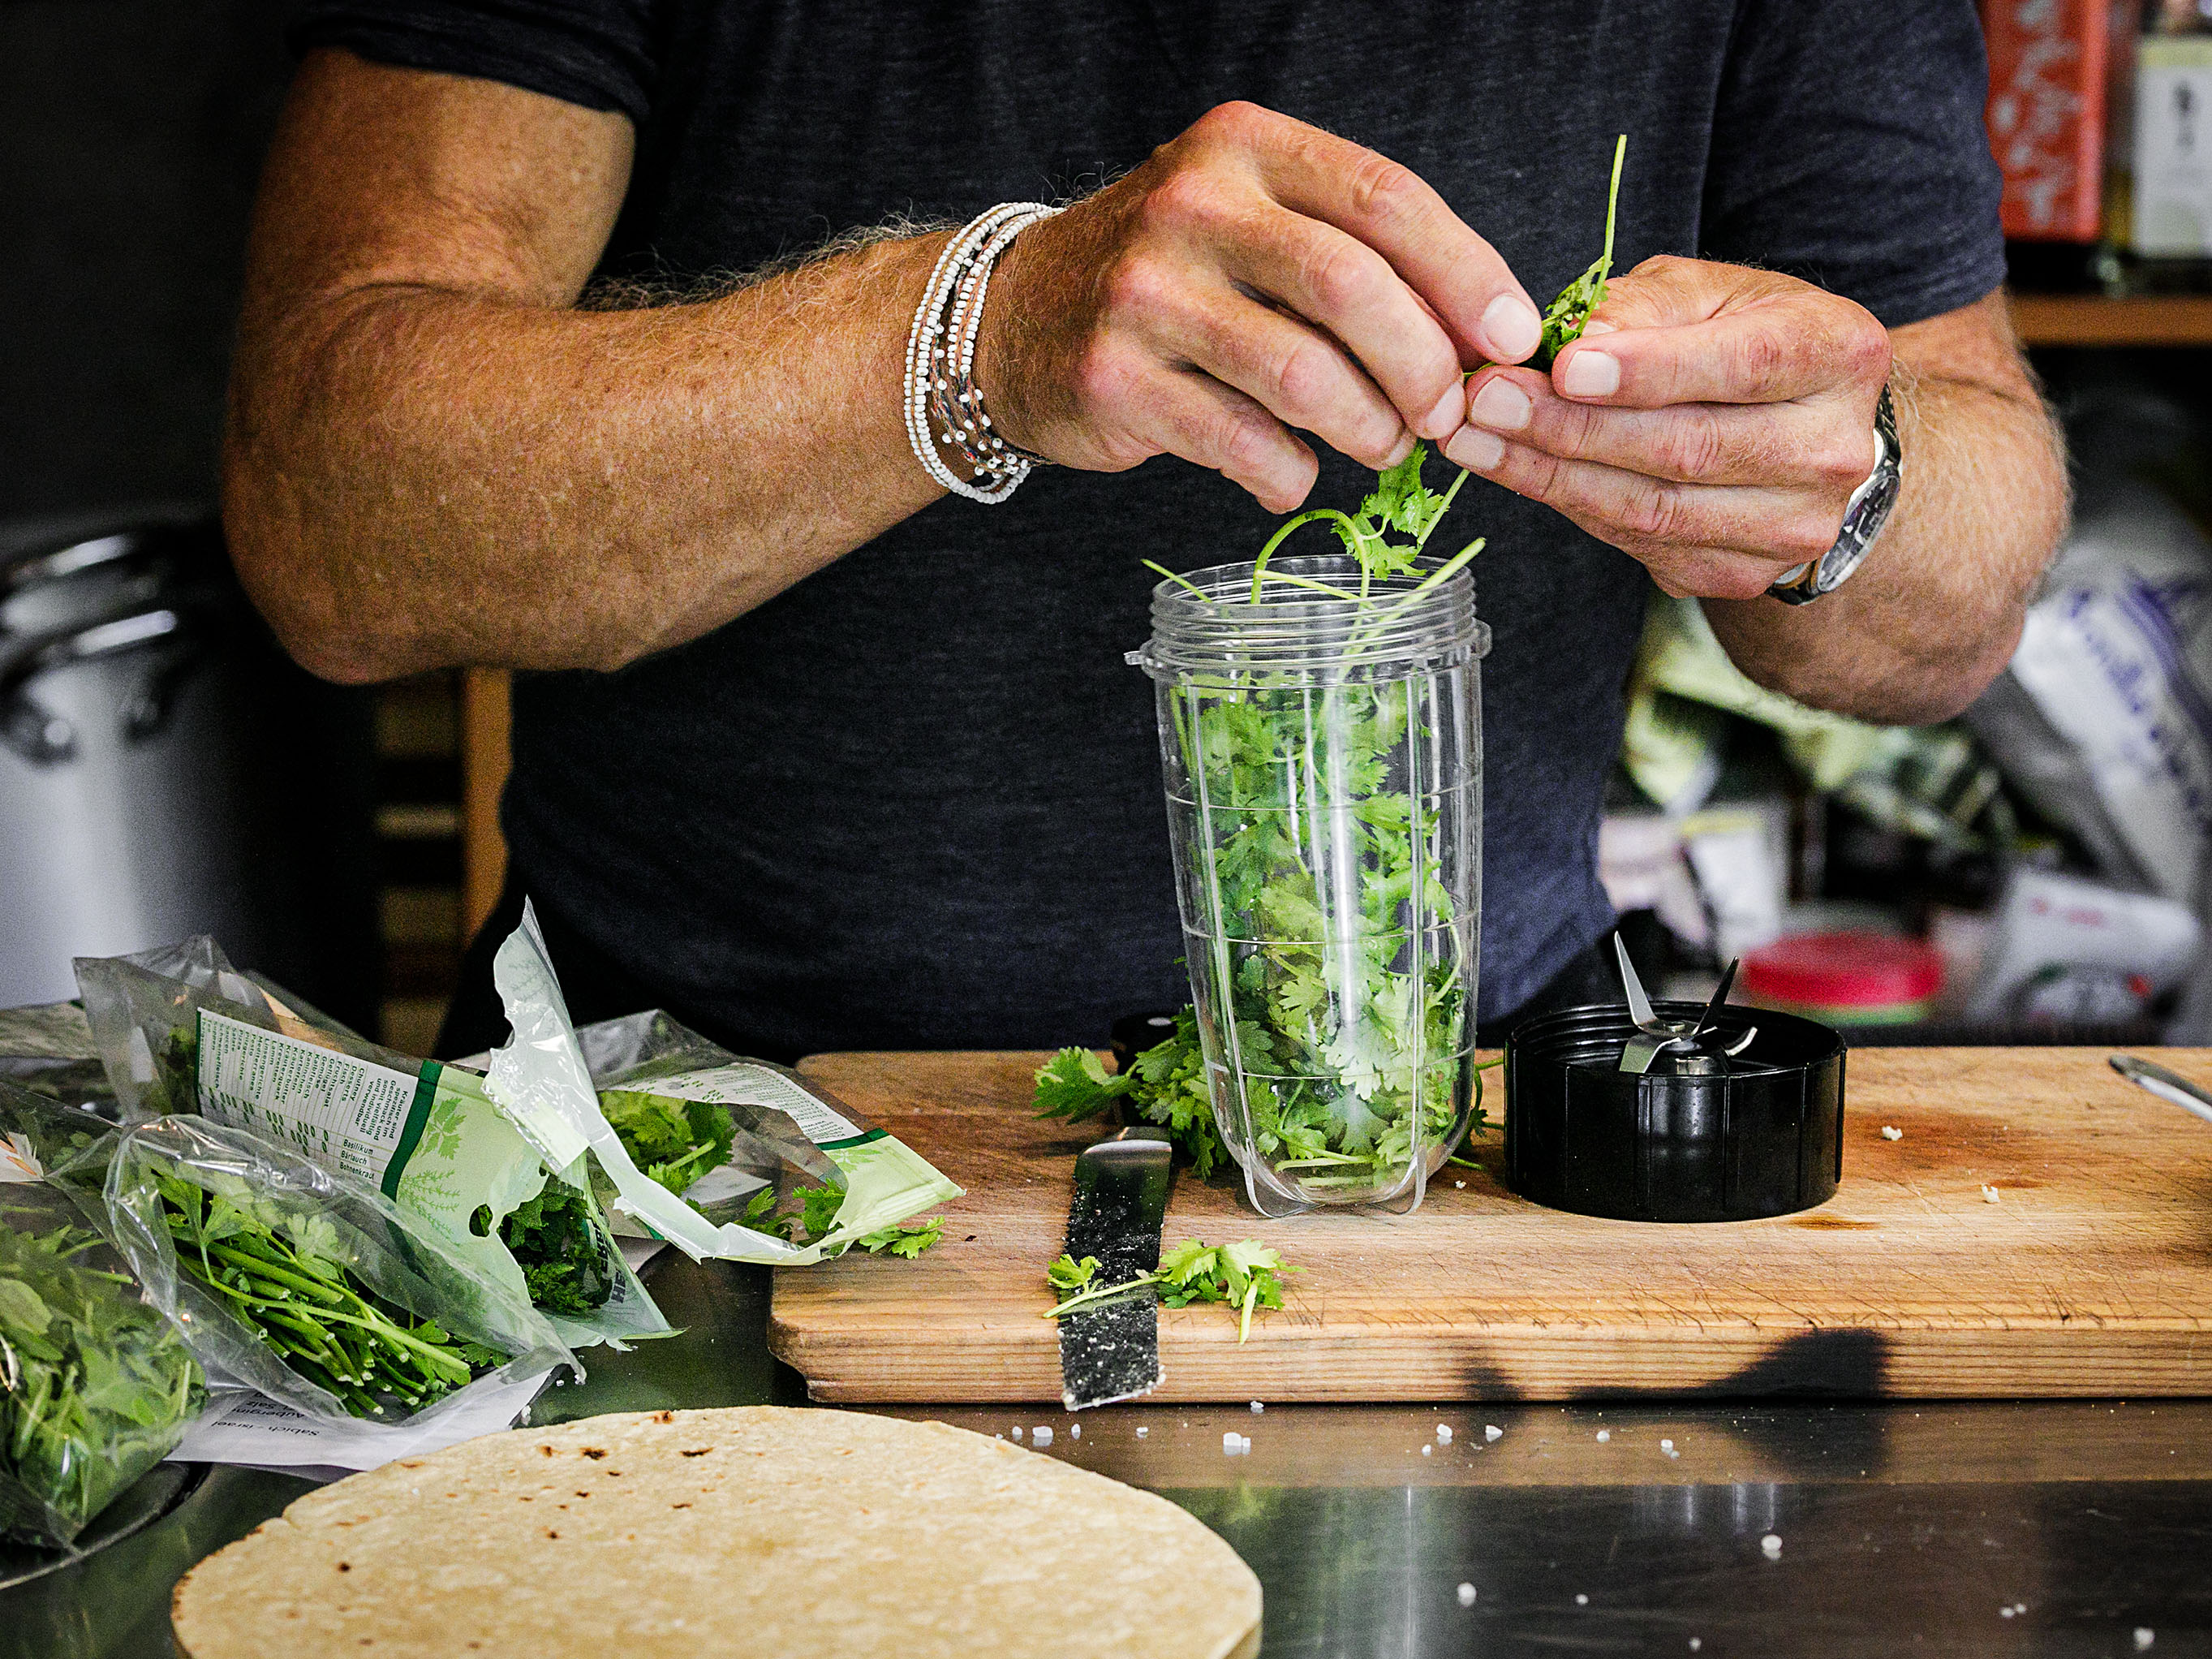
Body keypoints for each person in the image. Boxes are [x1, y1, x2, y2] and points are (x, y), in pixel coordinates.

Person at [225, 2, 2068, 1062]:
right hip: (684, 1120)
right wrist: (975, 333)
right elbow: (332, 522)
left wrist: (1837, 486)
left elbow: (1952, 605)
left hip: (1450, 1110)